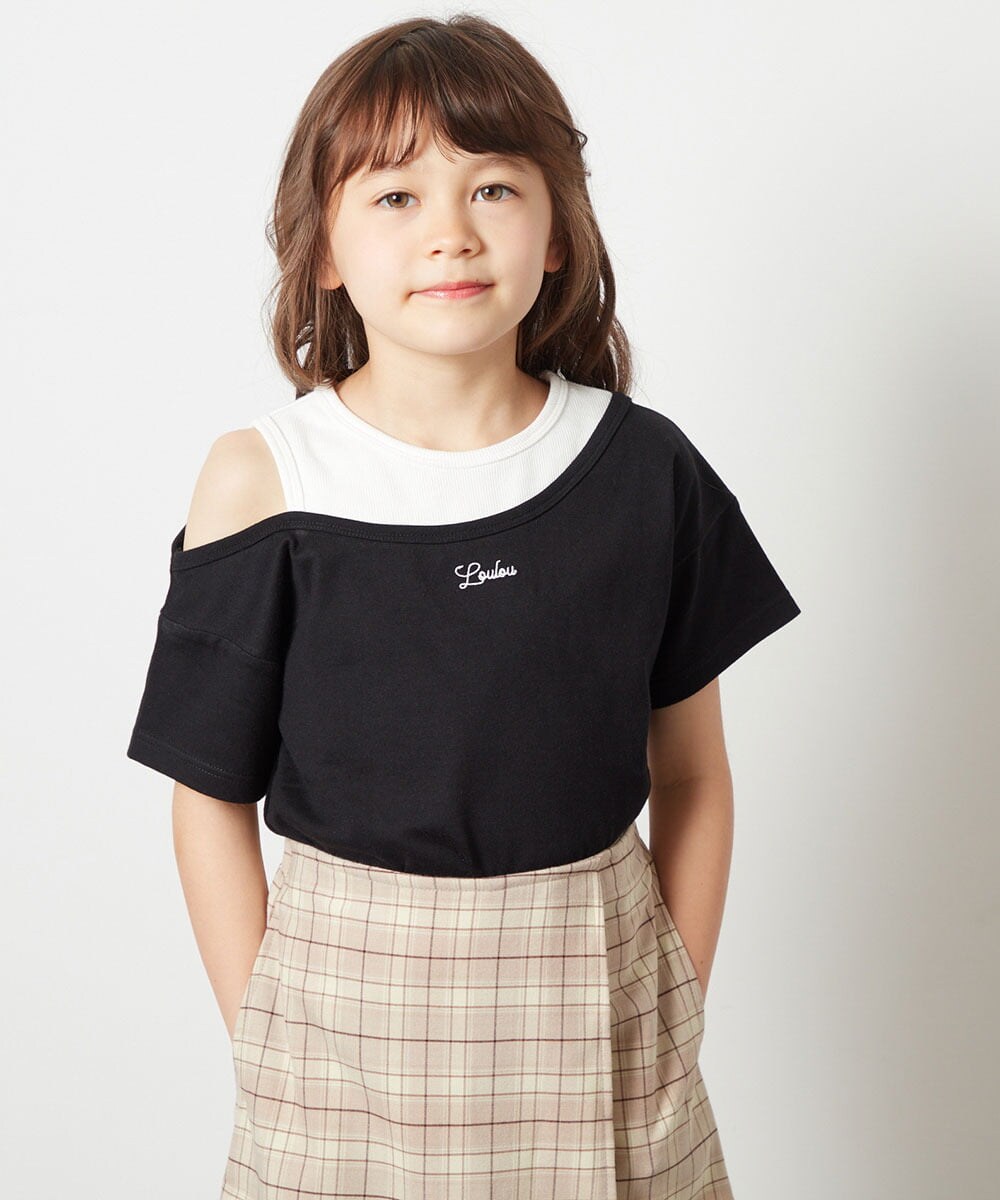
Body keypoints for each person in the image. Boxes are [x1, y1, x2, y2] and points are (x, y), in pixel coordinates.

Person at [126, 13, 801, 1200]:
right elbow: (208, 799)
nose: (449, 231)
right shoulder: (264, 481)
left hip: (601, 1009)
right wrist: (264, 1042)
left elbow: (694, 772)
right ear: (322, 249)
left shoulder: (644, 471)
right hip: (342, 1035)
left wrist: (675, 1003)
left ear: (557, 231)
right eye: (395, 196)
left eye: (492, 187)